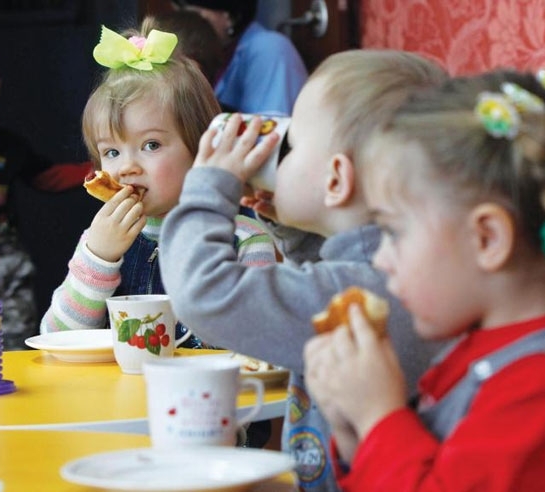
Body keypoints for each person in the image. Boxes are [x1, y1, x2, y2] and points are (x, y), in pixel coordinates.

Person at [303, 70, 545, 491]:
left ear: (486, 238)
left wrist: (379, 417)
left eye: (394, 231)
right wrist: (353, 432)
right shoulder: (477, 349)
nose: (381, 259)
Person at [159, 49, 448, 491]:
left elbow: (204, 293)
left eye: (290, 145)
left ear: (336, 181)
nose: (277, 157)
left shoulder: (363, 293)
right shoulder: (387, 273)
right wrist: (295, 229)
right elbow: (320, 280)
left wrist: (207, 189)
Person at [39, 19, 277, 355]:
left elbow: (263, 344)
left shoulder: (243, 239)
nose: (127, 167)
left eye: (151, 145)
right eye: (111, 152)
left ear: (201, 149)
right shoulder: (100, 241)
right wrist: (99, 258)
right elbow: (54, 340)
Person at [0, 38, 91, 350]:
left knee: (14, 335)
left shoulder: (9, 147)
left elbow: (47, 177)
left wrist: (96, 170)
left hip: (6, 260)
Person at [172, 0, 308, 115]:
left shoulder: (270, 48)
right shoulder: (220, 50)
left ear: (229, 17)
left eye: (195, 15)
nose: (187, 23)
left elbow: (271, 130)